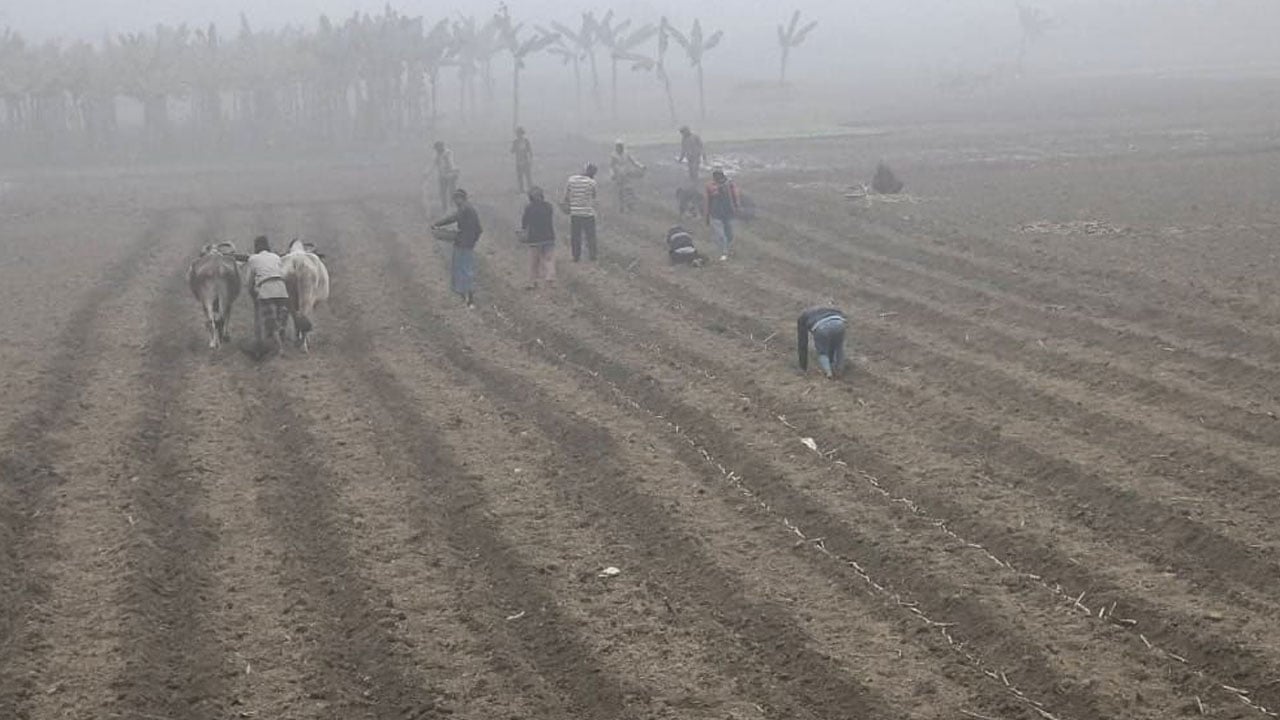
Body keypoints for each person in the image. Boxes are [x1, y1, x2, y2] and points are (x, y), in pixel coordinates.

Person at [241, 235, 290, 357]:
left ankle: (279, 349)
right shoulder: (276, 257)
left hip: (266, 290)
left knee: (271, 322)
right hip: (281, 289)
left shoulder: (253, 259)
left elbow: (249, 282)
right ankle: (278, 337)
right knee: (280, 318)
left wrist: (253, 294)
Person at [433, 188, 482, 308]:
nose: (455, 202)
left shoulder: (464, 209)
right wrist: (473, 241)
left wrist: (437, 224)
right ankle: (465, 295)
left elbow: (452, 218)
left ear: (460, 198)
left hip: (462, 244)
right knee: (465, 269)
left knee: (463, 269)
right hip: (468, 243)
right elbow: (479, 229)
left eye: (456, 199)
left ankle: (468, 298)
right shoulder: (470, 209)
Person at [798, 306, 848, 379]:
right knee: (838, 347)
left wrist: (803, 367)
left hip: (821, 327)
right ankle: (839, 370)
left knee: (823, 352)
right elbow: (843, 315)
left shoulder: (802, 318)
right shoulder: (829, 309)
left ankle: (829, 373)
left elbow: (803, 343)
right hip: (839, 323)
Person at [562, 163, 599, 262]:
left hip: (575, 213)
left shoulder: (571, 180)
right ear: (593, 174)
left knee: (575, 236)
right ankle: (593, 256)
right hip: (588, 213)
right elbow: (594, 196)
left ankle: (576, 257)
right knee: (590, 236)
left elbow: (566, 197)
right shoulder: (592, 182)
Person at [521, 186, 556, 289]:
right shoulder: (548, 206)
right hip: (549, 236)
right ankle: (550, 277)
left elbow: (524, 223)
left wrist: (523, 231)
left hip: (534, 238)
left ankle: (533, 281)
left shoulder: (529, 208)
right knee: (549, 259)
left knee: (534, 262)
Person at [704, 169, 740, 261]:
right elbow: (708, 201)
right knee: (721, 235)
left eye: (719, 177)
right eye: (715, 178)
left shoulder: (730, 185)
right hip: (715, 213)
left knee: (730, 234)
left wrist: (737, 208)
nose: (717, 179)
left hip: (728, 212)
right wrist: (707, 215)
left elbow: (735, 197)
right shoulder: (710, 186)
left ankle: (727, 249)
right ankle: (724, 252)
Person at [609, 140, 645, 213]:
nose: (620, 148)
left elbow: (633, 161)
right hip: (618, 175)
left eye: (621, 146)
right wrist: (612, 174)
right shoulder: (613, 155)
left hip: (626, 174)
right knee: (620, 192)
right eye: (618, 146)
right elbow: (611, 166)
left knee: (629, 190)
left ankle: (630, 205)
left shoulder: (626, 153)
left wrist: (641, 166)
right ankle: (621, 207)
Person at [428, 141, 459, 213]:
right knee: (442, 193)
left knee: (452, 192)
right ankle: (444, 208)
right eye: (436, 148)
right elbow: (433, 165)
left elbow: (451, 163)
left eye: (438, 148)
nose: (437, 150)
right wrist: (428, 172)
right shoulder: (437, 155)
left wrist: (453, 171)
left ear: (442, 146)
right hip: (442, 176)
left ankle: (453, 207)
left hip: (450, 175)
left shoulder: (447, 153)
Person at [511, 127, 534, 193]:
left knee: (528, 177)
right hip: (518, 162)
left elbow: (530, 151)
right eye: (518, 134)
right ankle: (521, 189)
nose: (519, 135)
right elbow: (512, 151)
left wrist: (530, 159)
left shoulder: (526, 141)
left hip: (526, 162)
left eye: (520, 133)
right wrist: (514, 147)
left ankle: (530, 188)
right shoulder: (515, 142)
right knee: (520, 177)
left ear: (522, 134)